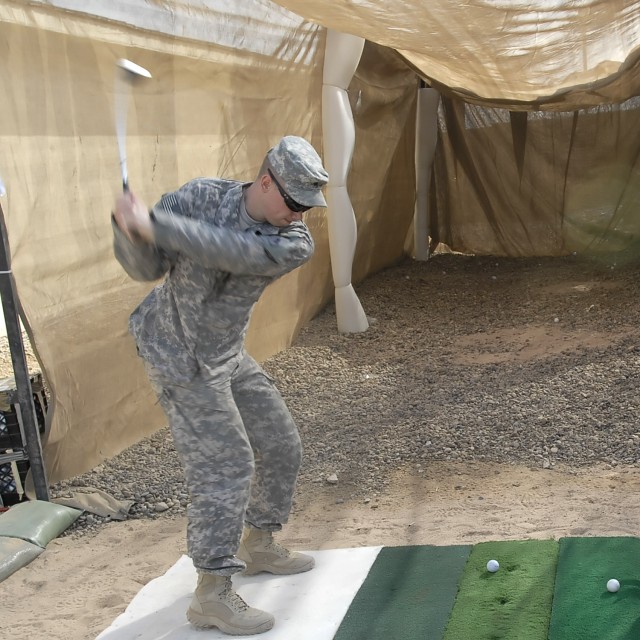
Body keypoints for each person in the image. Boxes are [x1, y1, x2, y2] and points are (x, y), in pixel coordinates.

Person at [111, 136, 329, 636]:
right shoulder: (198, 198)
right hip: (176, 354)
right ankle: (211, 593)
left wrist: (158, 222)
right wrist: (131, 231)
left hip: (224, 353)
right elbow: (146, 268)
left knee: (280, 444)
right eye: (293, 202)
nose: (300, 215)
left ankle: (259, 543)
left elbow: (235, 251)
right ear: (266, 180)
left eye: (307, 205)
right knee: (228, 464)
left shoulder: (294, 242)